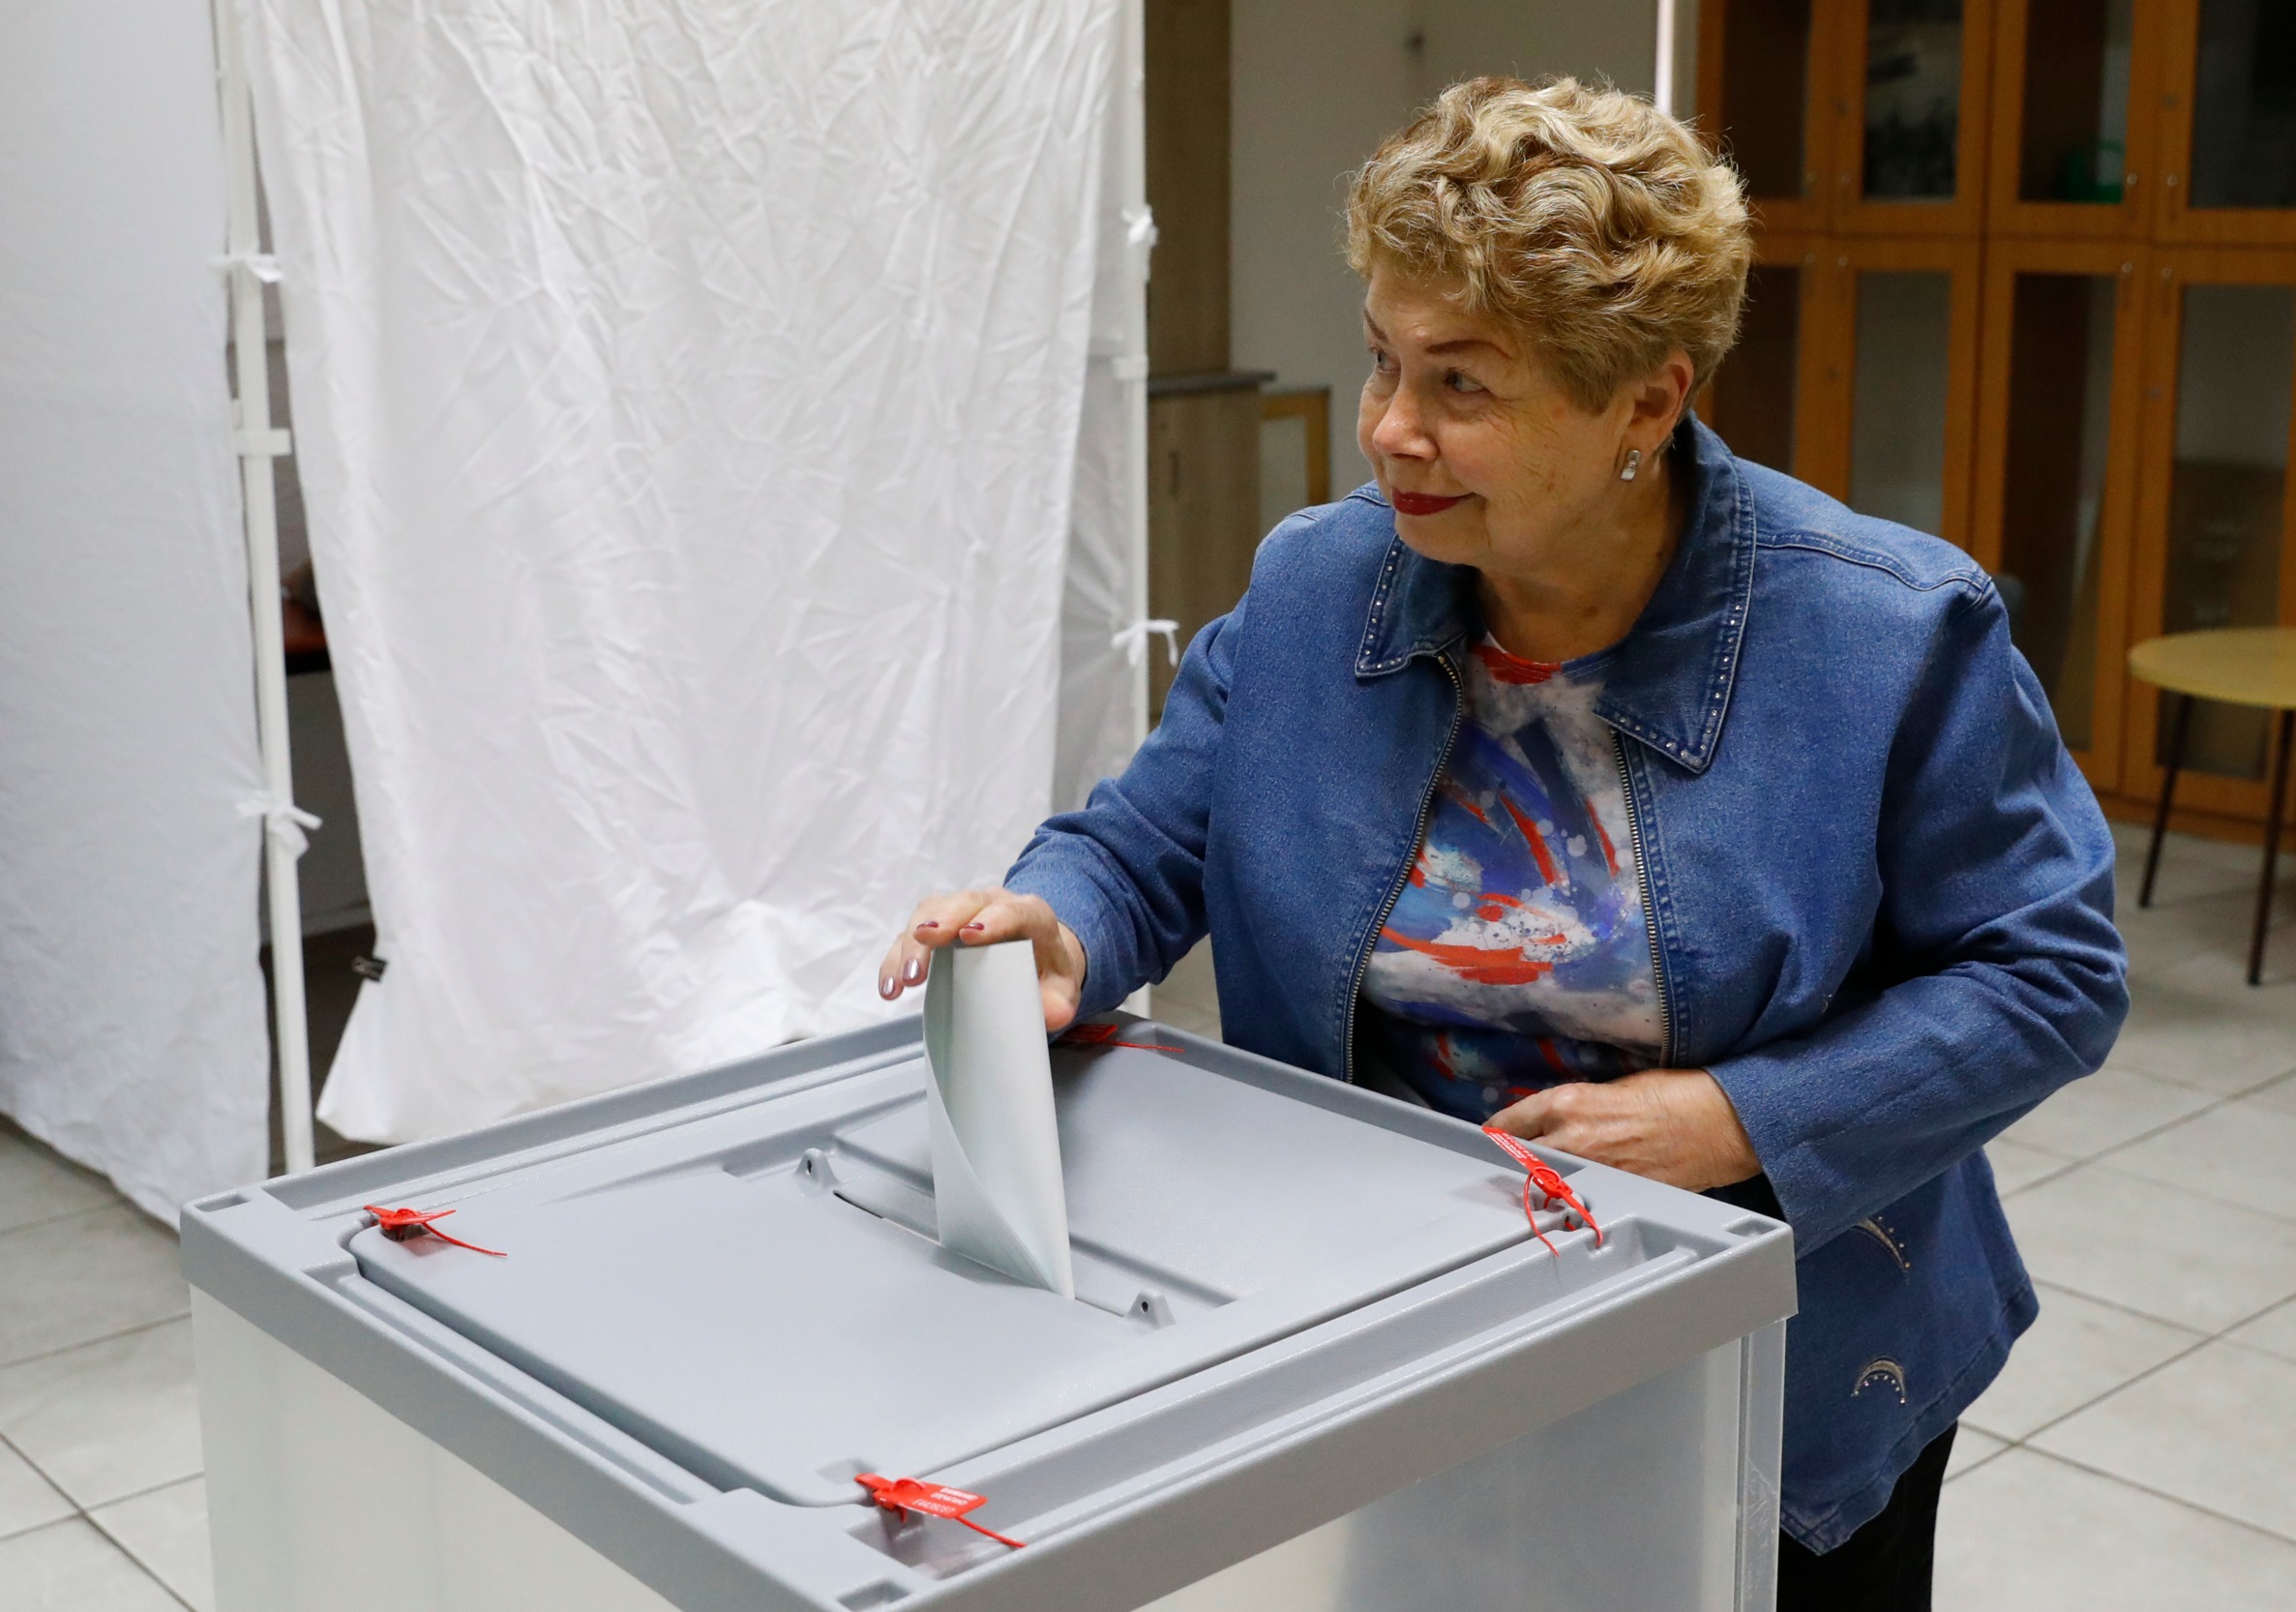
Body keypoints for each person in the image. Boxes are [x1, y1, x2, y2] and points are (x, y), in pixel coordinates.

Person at [878, 75, 2127, 1610]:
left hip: (1773, 1354)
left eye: (1462, 384)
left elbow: (2050, 970)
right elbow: (1143, 847)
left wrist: (1741, 1116)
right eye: (1383, 362)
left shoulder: (1888, 633)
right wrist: (1052, 922)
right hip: (1414, 1322)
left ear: (1648, 403)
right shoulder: (1315, 590)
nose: (1391, 429)